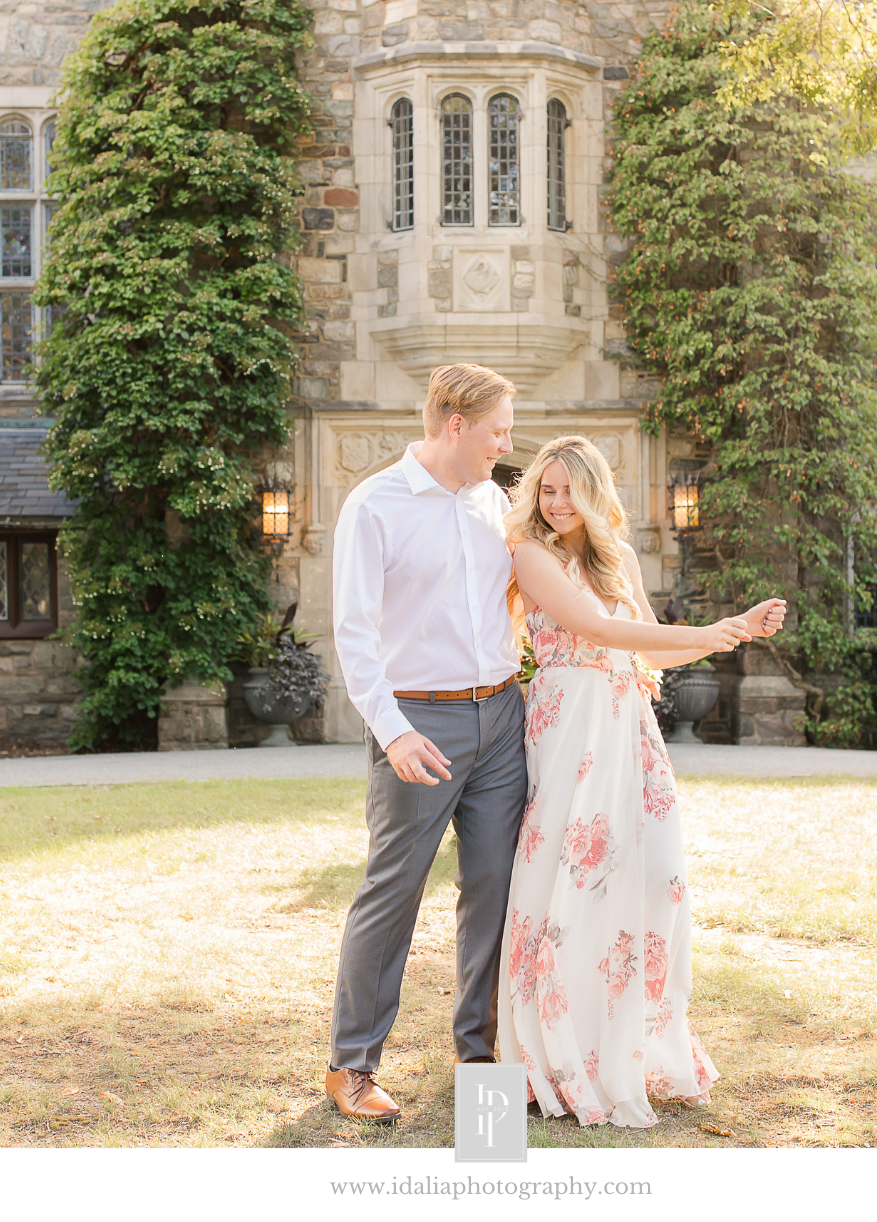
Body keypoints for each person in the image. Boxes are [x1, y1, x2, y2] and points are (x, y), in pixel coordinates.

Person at [498, 435, 786, 1128]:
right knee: (569, 882)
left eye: (569, 489)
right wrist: (710, 631)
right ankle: (558, 1055)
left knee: (654, 880)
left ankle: (629, 1047)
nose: (556, 501)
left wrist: (734, 631)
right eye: (547, 489)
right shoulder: (531, 555)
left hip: (628, 727)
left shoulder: (621, 557)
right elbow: (593, 627)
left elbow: (650, 642)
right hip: (570, 728)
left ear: (595, 493)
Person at [326, 363, 527, 1122]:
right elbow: (353, 633)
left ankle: (479, 1057)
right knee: (393, 891)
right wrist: (395, 731)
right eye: (499, 430)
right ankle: (352, 1066)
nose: (506, 445)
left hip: (502, 720)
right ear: (456, 426)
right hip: (418, 722)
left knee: (495, 890)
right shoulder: (373, 505)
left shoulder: (492, 503)